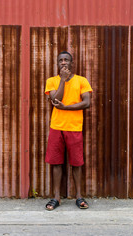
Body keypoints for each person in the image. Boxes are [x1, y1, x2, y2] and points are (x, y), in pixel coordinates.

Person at [44, 51, 93, 211]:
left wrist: (67, 107)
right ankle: (56, 197)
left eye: (66, 60)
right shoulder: (52, 81)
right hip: (57, 126)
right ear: (57, 64)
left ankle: (79, 196)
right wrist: (63, 81)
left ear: (72, 63)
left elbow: (86, 103)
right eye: (60, 60)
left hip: (74, 127)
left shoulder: (81, 80)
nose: (63, 63)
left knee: (76, 163)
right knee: (56, 162)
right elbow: (55, 100)